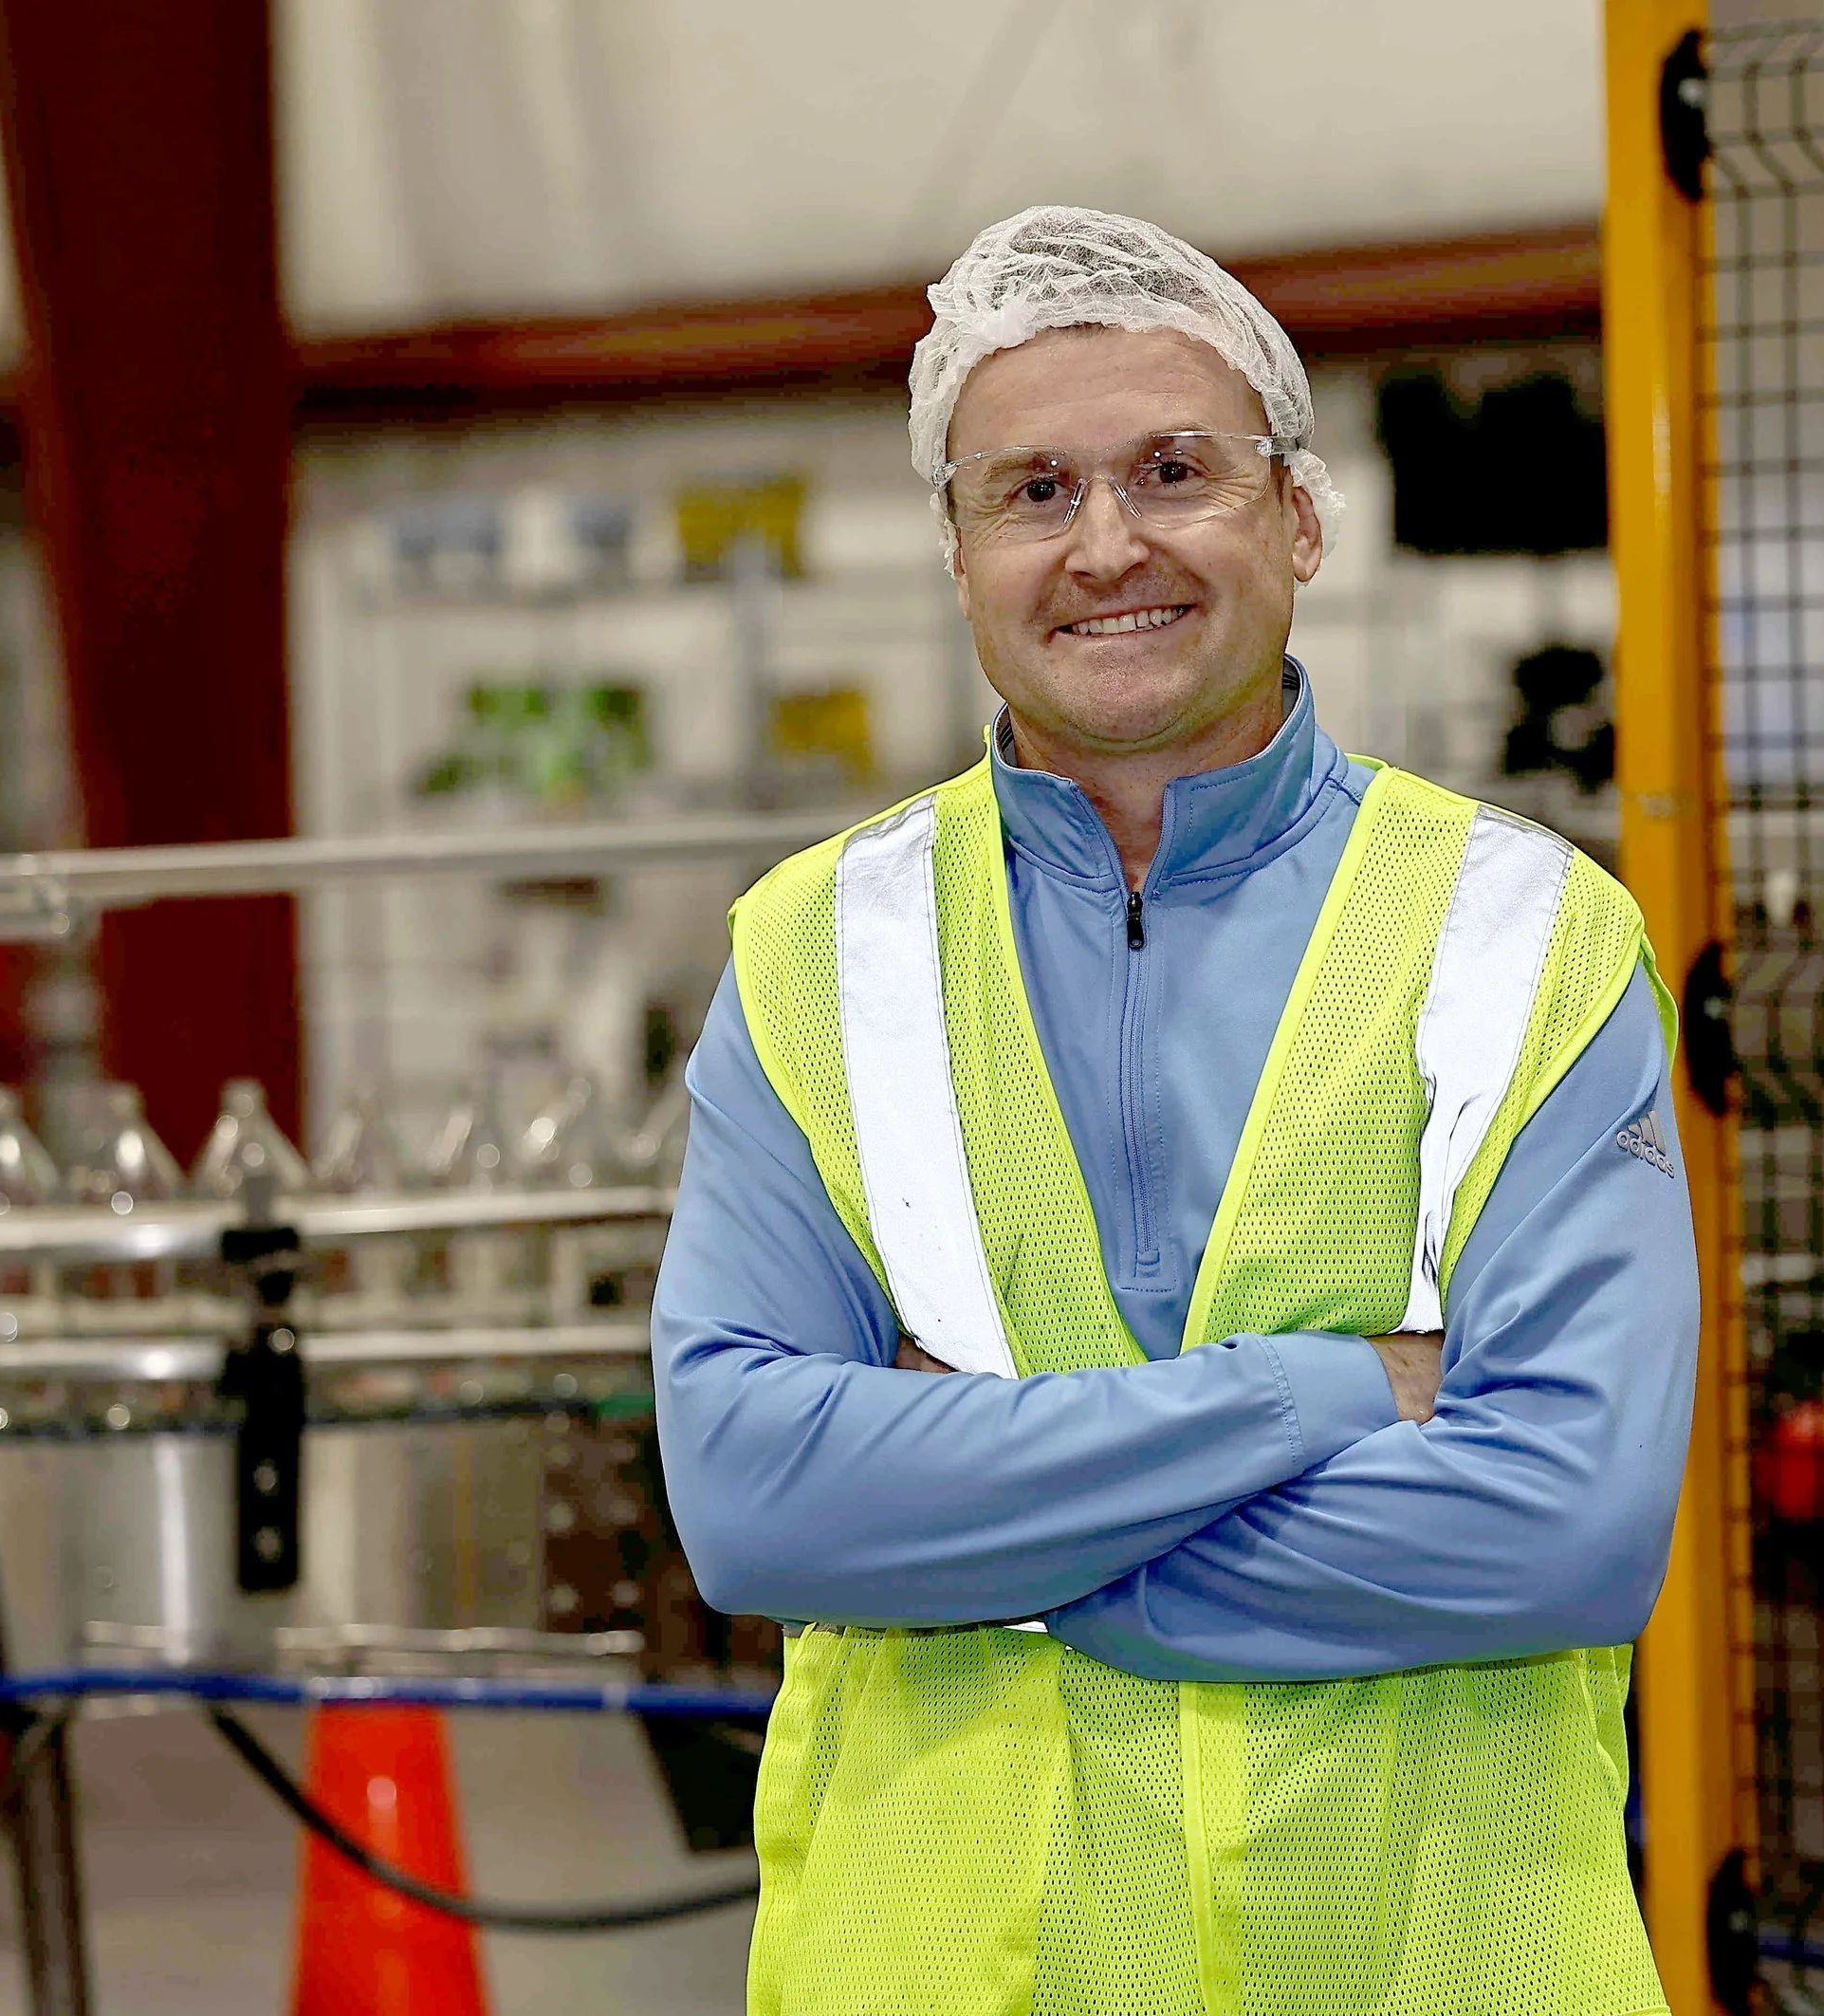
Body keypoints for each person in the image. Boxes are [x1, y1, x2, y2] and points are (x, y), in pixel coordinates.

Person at [653, 205, 1699, 2015]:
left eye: (1173, 471)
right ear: (961, 553)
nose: (1106, 544)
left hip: (1425, 1965)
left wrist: (995, 1546)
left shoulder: (1522, 935)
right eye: (1034, 490)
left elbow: (1571, 1521)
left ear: (1298, 518)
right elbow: (756, 1508)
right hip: (950, 1973)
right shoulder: (815, 956)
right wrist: (1335, 1389)